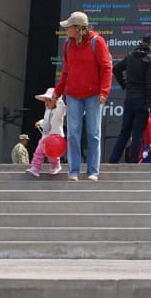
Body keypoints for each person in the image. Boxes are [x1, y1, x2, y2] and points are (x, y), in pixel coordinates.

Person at [48, 11, 111, 181]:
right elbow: (66, 72)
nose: (66, 29)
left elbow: (106, 68)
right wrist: (57, 93)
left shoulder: (97, 42)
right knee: (73, 134)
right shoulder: (68, 44)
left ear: (78, 28)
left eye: (68, 27)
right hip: (73, 95)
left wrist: (104, 92)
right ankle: (74, 171)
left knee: (93, 133)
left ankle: (93, 171)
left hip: (94, 96)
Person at [108, 34, 151, 164]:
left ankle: (113, 161)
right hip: (142, 100)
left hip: (129, 99)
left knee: (124, 132)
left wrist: (125, 85)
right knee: (137, 133)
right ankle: (133, 163)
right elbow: (150, 83)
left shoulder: (131, 56)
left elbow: (116, 69)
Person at [27, 88, 67, 177]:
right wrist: (40, 123)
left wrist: (57, 98)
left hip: (55, 138)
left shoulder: (58, 111)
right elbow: (46, 121)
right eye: (45, 101)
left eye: (49, 100)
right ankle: (35, 167)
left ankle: (56, 165)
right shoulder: (48, 111)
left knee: (52, 155)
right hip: (46, 137)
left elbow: (60, 105)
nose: (46, 103)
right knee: (39, 152)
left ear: (56, 101)